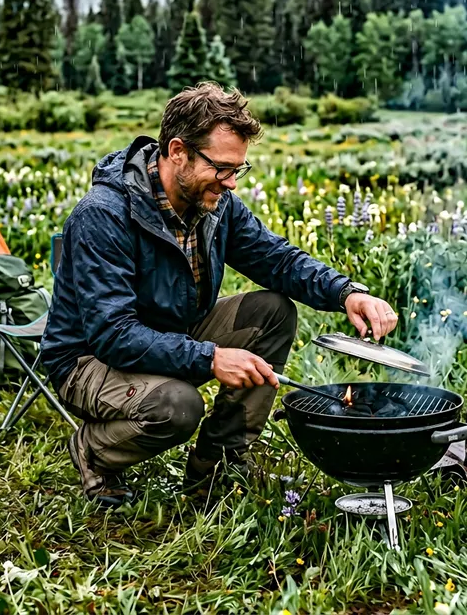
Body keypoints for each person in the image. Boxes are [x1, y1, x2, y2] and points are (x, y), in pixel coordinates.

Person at [41, 82, 399, 507]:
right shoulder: (104, 214)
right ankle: (93, 451)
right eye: (222, 167)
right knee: (178, 406)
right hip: (88, 359)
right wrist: (210, 357)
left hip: (171, 331)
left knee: (272, 311)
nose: (230, 182)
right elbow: (113, 335)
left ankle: (218, 464)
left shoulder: (215, 203)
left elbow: (277, 259)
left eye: (238, 170)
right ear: (178, 151)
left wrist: (347, 294)